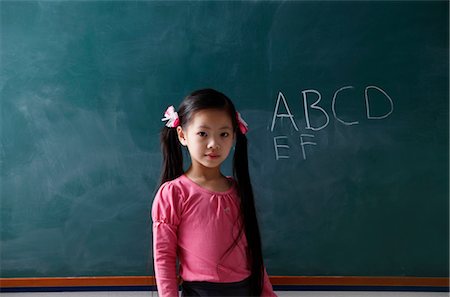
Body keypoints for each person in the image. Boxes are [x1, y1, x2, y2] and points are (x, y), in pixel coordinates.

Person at [152, 88, 277, 297]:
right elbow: (163, 257)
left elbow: (252, 252)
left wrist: (267, 293)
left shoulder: (237, 190)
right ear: (182, 135)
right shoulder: (174, 193)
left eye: (224, 134)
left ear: (234, 136)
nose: (214, 144)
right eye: (203, 133)